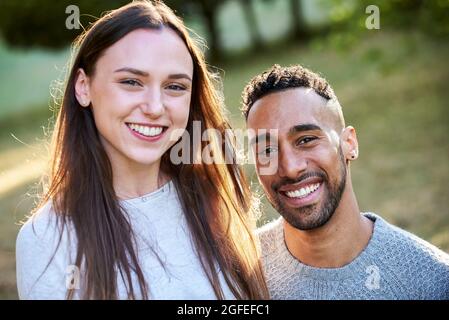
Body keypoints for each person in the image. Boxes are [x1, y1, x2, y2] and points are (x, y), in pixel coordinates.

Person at [16, 0, 268, 300]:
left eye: (175, 86)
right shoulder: (46, 238)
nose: (154, 107)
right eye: (132, 82)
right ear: (83, 87)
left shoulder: (217, 192)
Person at [241, 64, 449, 299]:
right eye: (266, 150)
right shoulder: (232, 275)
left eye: (306, 139)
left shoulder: (434, 281)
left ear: (349, 143)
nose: (290, 168)